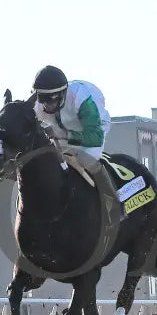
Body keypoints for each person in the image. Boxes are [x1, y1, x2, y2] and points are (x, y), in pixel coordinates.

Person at [30, 65, 119, 231]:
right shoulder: (38, 103)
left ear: (63, 93)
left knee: (85, 159)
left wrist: (66, 137)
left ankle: (114, 205)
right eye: (43, 100)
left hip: (93, 128)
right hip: (61, 128)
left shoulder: (81, 98)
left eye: (52, 100)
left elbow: (95, 137)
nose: (47, 106)